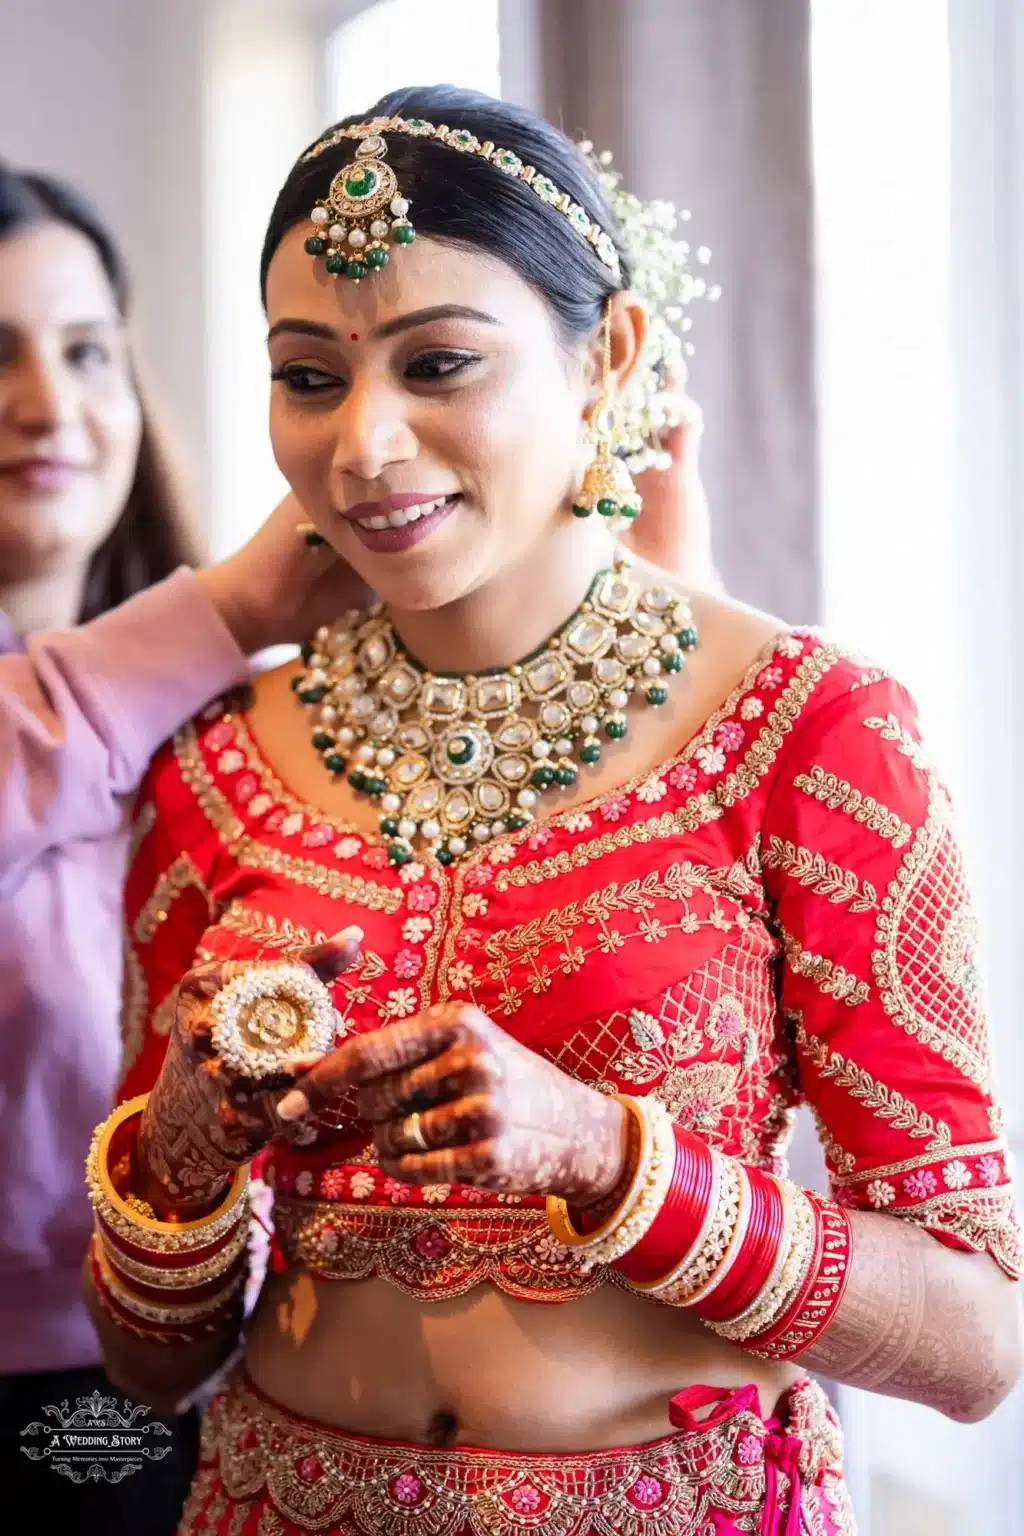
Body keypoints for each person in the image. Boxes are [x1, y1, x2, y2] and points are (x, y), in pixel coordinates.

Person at [86, 87, 1021, 1536]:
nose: (367, 448)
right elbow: (153, 1368)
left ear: (610, 359)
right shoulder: (215, 768)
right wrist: (188, 1159)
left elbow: (974, 1341)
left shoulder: (807, 734)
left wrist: (613, 1158)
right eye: (311, 376)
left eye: (440, 362)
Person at [0, 164, 369, 1530]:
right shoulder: (198, 646)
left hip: (250, 1366)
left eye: (87, 350)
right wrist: (216, 611)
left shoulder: (249, 707)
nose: (48, 405)